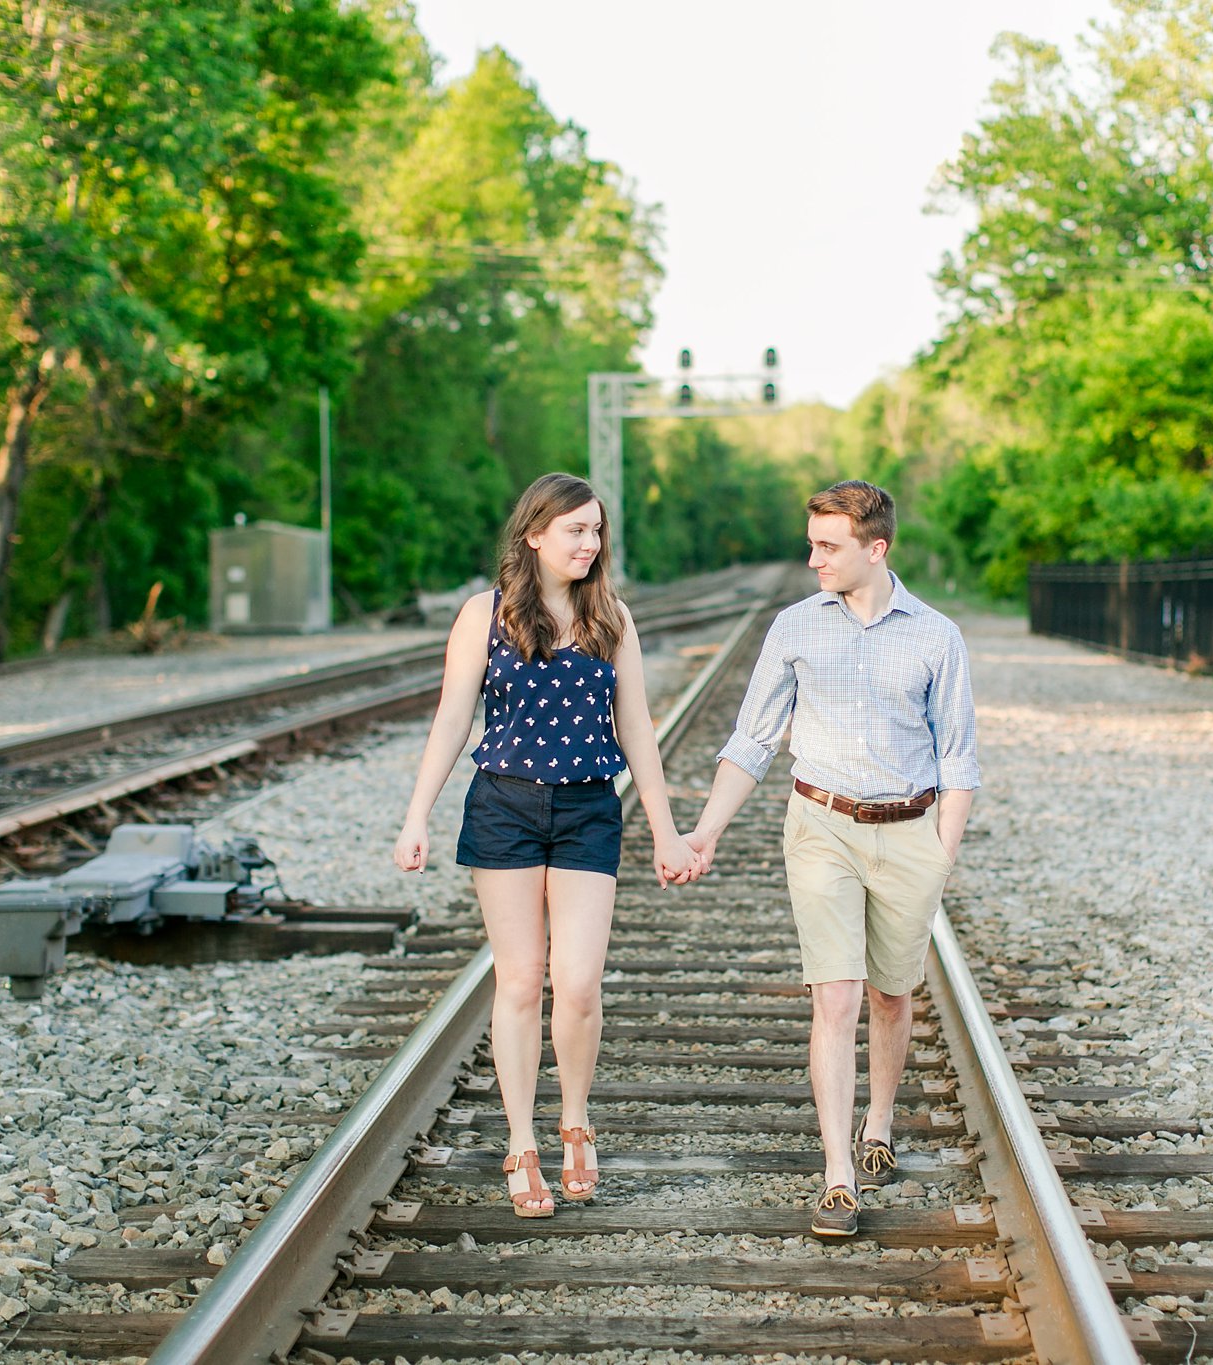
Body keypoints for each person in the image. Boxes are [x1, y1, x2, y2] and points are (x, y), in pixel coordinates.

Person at [680, 480, 978, 1237]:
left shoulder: (937, 636)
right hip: (821, 826)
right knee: (836, 997)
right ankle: (838, 1172)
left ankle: (878, 1124)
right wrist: (707, 830)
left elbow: (960, 759)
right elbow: (752, 739)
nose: (812, 558)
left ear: (875, 549)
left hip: (909, 831)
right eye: (812, 542)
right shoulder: (794, 627)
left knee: (890, 993)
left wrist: (941, 853)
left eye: (828, 546)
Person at [395, 472, 696, 1217]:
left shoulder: (611, 618)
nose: (589, 544)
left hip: (590, 809)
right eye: (575, 530)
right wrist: (416, 815)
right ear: (534, 534)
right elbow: (451, 720)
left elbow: (639, 731)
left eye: (596, 531)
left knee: (581, 981)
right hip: (504, 808)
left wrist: (665, 828)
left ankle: (576, 1118)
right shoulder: (484, 615)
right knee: (522, 979)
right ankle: (523, 1139)